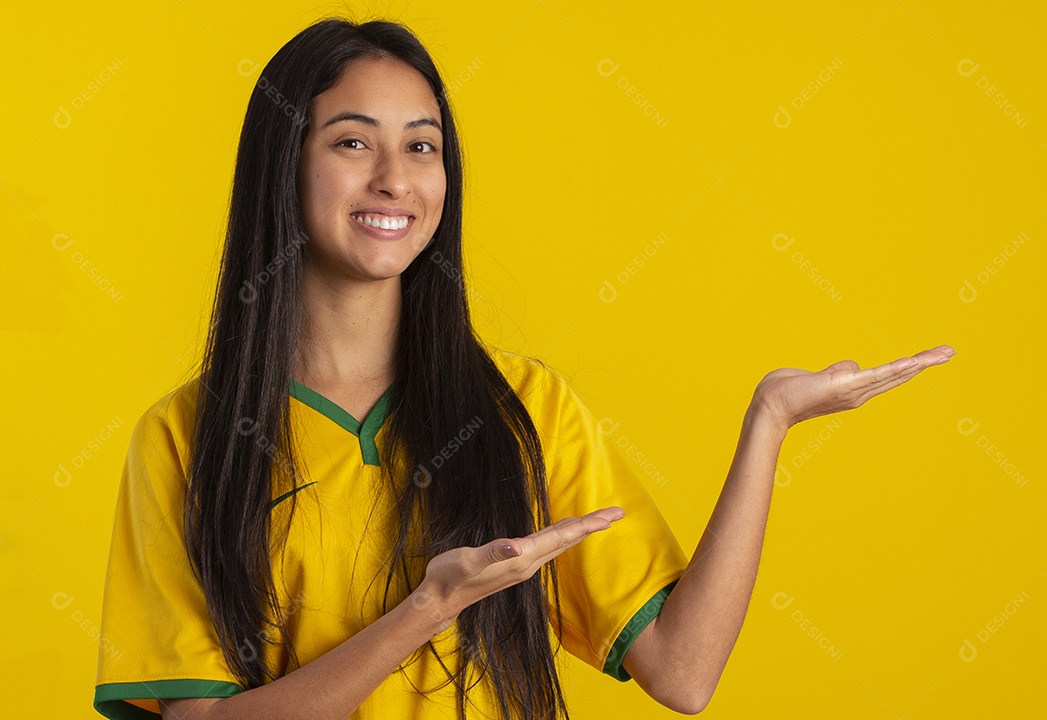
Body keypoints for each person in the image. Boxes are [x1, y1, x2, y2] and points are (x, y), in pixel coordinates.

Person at [92, 16, 956, 720]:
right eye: (353, 144)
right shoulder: (184, 439)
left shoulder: (524, 407)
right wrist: (430, 609)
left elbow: (683, 674)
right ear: (284, 165)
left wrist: (769, 422)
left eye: (422, 147)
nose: (396, 179)